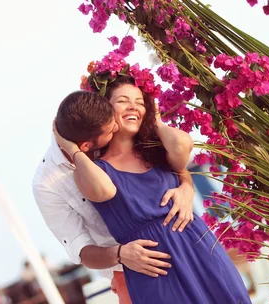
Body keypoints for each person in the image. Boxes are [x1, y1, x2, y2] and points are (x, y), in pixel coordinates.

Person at [54, 76, 251, 304]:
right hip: (154, 269)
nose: (133, 106)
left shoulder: (157, 150)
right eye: (123, 101)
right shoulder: (93, 169)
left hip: (200, 252)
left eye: (140, 101)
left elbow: (183, 145)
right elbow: (103, 190)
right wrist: (72, 147)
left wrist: (154, 120)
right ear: (106, 110)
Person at [33, 90, 196, 303]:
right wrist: (121, 254)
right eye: (110, 130)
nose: (117, 128)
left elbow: (172, 166)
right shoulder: (47, 184)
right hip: (130, 272)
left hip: (185, 246)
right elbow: (80, 249)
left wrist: (187, 187)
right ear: (86, 146)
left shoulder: (102, 122)